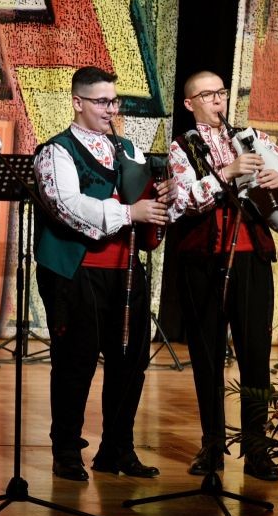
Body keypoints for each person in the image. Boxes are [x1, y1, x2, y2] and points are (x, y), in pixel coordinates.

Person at [33, 66, 187, 481]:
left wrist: (163, 197)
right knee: (75, 363)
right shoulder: (57, 151)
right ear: (77, 102)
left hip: (125, 271)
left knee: (130, 363)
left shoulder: (128, 150)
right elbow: (67, 206)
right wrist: (129, 212)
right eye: (101, 101)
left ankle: (117, 449)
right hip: (76, 272)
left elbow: (148, 210)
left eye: (114, 101)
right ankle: (67, 450)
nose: (110, 109)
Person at [168, 70, 278, 481]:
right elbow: (184, 201)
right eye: (207, 95)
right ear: (189, 103)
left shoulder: (251, 138)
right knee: (207, 356)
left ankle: (257, 449)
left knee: (255, 356)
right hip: (203, 261)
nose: (218, 100)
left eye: (222, 93)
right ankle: (212, 445)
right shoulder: (182, 148)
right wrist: (226, 173)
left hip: (252, 259)